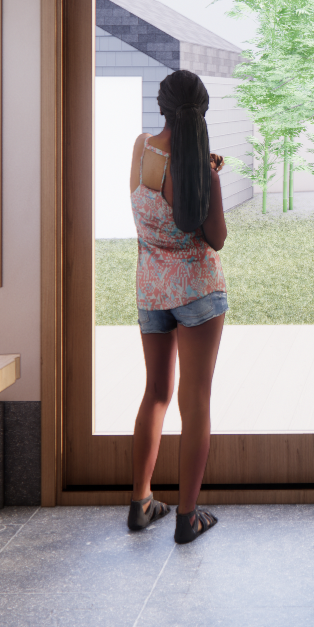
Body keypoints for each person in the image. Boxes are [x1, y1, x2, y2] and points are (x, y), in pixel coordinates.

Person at [126, 70, 227, 544]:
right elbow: (217, 238)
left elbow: (151, 197)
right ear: (201, 112)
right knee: (196, 401)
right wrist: (211, 181)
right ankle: (188, 516)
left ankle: (141, 501)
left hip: (152, 289)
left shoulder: (142, 148)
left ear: (162, 107)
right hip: (197, 292)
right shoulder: (199, 171)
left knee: (156, 394)